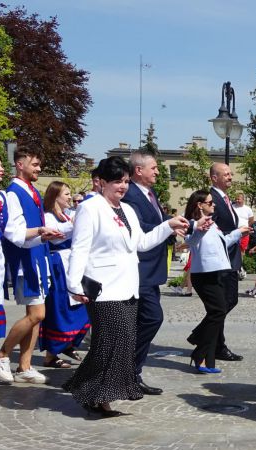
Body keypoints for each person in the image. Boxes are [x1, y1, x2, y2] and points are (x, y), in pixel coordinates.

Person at [63, 156, 188, 417]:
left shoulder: (127, 210)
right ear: (102, 182)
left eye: (126, 182)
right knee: (111, 342)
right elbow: (80, 247)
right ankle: (100, 397)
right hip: (102, 286)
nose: (122, 187)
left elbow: (140, 243)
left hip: (128, 286)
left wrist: (167, 226)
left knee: (118, 342)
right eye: (117, 182)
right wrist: (74, 285)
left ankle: (84, 387)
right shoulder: (91, 207)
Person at [0, 147, 63, 385]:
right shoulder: (13, 193)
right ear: (20, 165)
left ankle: (24, 365)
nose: (39, 169)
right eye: (35, 164)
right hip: (26, 261)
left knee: (36, 317)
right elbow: (15, 233)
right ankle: (1, 355)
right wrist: (41, 233)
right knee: (37, 314)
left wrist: (44, 236)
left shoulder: (30, 190)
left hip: (38, 257)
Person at [0, 151, 41, 402]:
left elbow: (15, 233)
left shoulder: (2, 197)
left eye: (2, 165)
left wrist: (43, 232)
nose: (2, 169)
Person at [182, 190, 249, 374]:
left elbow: (221, 244)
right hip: (204, 274)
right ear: (199, 204)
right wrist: (198, 229)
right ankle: (199, 353)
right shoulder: (193, 223)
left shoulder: (212, 223)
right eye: (210, 203)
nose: (214, 205)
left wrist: (238, 233)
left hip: (217, 272)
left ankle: (205, 358)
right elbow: (190, 240)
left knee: (217, 312)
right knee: (218, 311)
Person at [120, 150, 169, 395]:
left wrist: (187, 224)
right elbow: (139, 229)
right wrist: (168, 227)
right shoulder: (129, 195)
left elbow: (160, 220)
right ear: (138, 170)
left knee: (144, 320)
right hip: (140, 269)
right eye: (154, 168)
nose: (158, 172)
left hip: (152, 269)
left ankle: (131, 372)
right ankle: (126, 369)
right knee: (151, 318)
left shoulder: (149, 193)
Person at [40, 181, 89, 369]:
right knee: (59, 308)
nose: (70, 197)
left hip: (72, 262)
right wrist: (76, 224)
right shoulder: (47, 216)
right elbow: (56, 234)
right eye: (66, 194)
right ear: (55, 196)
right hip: (58, 264)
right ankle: (50, 355)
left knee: (80, 307)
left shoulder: (67, 215)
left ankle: (68, 344)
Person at [206, 163, 244, 361]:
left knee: (228, 301)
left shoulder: (225, 199)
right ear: (214, 177)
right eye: (226, 174)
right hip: (220, 260)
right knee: (222, 303)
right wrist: (238, 233)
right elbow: (212, 231)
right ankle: (210, 340)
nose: (230, 177)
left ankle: (214, 342)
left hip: (230, 258)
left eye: (230, 174)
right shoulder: (211, 199)